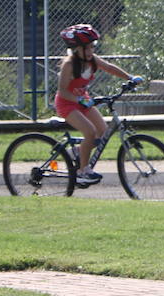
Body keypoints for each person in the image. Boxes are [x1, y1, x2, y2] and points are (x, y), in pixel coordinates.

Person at [54, 23, 141, 184]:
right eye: (85, 48)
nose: (90, 51)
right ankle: (82, 171)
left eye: (91, 47)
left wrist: (130, 78)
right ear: (75, 49)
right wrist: (79, 100)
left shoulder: (92, 60)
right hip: (67, 104)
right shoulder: (69, 65)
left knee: (103, 131)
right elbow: (63, 91)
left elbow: (109, 67)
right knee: (90, 132)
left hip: (83, 100)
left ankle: (76, 152)